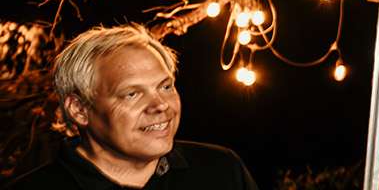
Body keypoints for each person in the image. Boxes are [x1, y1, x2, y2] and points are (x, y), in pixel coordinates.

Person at [6, 25, 257, 189]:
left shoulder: (222, 171)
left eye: (165, 86)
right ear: (79, 109)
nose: (160, 105)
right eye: (132, 94)